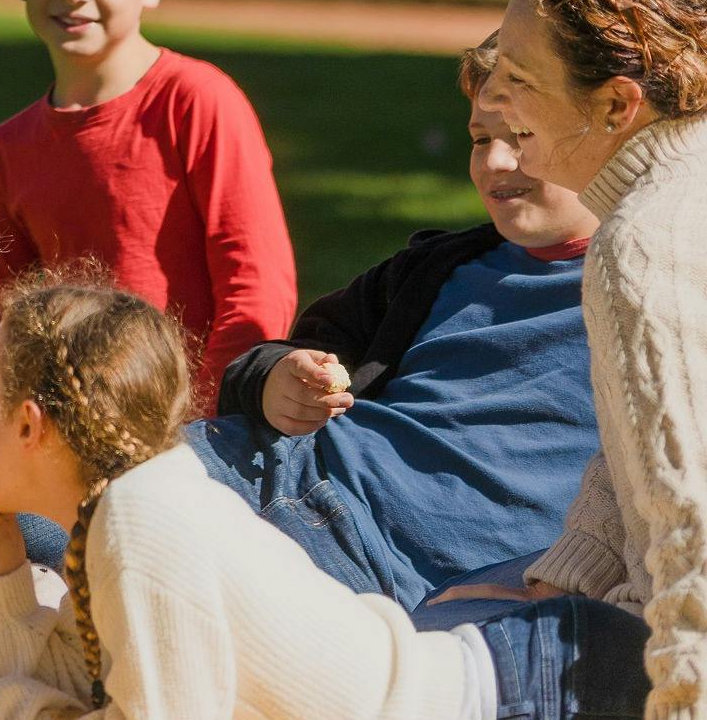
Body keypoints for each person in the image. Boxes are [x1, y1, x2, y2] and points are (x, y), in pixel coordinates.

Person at [0, 275, 580, 720]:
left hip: (534, 707)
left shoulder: (139, 519)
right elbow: (70, 687)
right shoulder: (131, 501)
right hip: (522, 686)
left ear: (30, 424)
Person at [417, 0, 707, 720]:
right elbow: (647, 446)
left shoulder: (645, 244)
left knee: (385, 665)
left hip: (658, 664)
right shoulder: (674, 190)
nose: (493, 103)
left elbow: (694, 530)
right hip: (624, 608)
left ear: (618, 103)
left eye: (519, 79)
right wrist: (573, 567)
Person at [191, 34, 598, 606]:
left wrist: (542, 584)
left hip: (386, 569)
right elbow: (280, 358)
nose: (497, 162)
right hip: (279, 473)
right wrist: (278, 379)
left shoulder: (655, 291)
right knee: (54, 513)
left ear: (607, 134)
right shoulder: (432, 270)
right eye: (482, 139)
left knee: (105, 549)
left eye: (523, 136)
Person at [0, 0, 295, 411]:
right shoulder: (8, 149)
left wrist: (212, 424)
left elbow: (256, 287)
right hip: (63, 438)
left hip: (192, 432)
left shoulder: (196, 102)